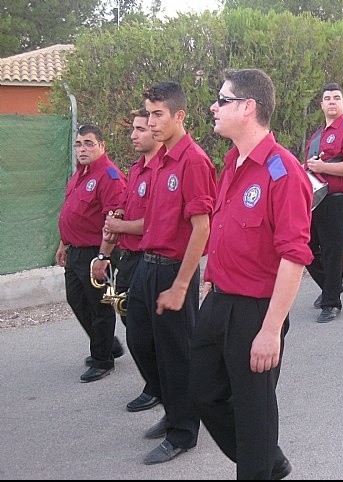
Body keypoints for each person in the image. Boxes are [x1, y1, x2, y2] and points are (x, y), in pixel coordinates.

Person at [189, 68, 312, 480]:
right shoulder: (232, 163)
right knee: (204, 394)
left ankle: (259, 465)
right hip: (219, 300)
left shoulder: (283, 172)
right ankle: (268, 462)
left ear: (247, 108)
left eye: (221, 100)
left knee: (254, 414)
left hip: (256, 311)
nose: (213, 106)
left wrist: (270, 329)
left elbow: (294, 257)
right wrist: (210, 285)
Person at [125, 81, 217, 464]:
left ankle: (183, 430)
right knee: (140, 341)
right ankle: (171, 404)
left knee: (176, 353)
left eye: (158, 114)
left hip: (175, 270)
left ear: (179, 115)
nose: (151, 121)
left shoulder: (193, 161)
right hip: (148, 265)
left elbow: (202, 228)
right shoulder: (159, 159)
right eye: (148, 114)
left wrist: (182, 285)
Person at [55, 124, 127, 383]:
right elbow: (73, 213)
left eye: (89, 143)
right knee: (77, 300)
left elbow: (114, 219)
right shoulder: (80, 175)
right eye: (79, 144)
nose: (82, 149)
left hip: (96, 252)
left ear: (102, 146)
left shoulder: (109, 176)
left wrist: (103, 257)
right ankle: (108, 345)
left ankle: (102, 360)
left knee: (100, 307)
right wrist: (63, 243)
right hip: (75, 251)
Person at [102, 108, 162, 412]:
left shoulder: (162, 171)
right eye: (134, 129)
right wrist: (118, 218)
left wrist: (119, 226)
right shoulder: (136, 169)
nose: (134, 135)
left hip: (151, 259)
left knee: (146, 332)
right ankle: (156, 384)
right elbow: (126, 208)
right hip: (129, 257)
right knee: (133, 328)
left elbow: (155, 222)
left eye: (141, 129)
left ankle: (161, 388)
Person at [304, 82, 343, 322]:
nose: (332, 101)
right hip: (317, 199)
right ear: (321, 104)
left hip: (339, 198)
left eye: (336, 98)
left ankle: (331, 303)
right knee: (307, 248)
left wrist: (324, 167)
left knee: (332, 252)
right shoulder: (318, 134)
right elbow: (311, 163)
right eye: (327, 98)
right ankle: (333, 285)